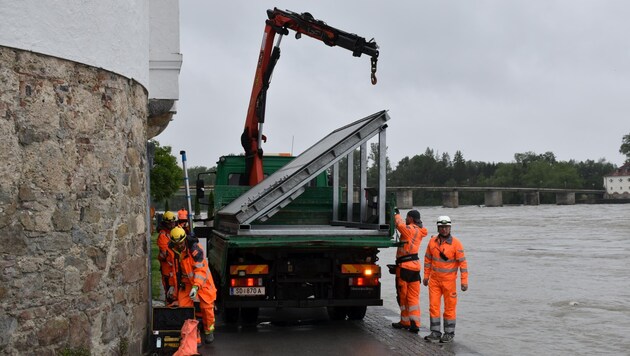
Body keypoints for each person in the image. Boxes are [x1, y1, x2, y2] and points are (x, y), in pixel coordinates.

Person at [167, 226, 217, 344]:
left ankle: (209, 331)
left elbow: (200, 271)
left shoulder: (195, 250)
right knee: (185, 309)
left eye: (180, 243)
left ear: (184, 240)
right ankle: (194, 336)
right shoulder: (173, 251)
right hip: (186, 282)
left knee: (207, 307)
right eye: (176, 243)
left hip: (203, 281)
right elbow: (174, 270)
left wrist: (196, 286)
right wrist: (173, 286)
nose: (179, 246)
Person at [423, 216, 468, 344]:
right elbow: (427, 261)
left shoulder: (456, 244)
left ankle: (449, 333)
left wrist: (464, 282)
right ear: (438, 228)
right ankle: (435, 332)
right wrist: (426, 277)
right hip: (434, 281)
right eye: (442, 227)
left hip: (449, 282)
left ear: (450, 228)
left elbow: (463, 265)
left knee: (449, 308)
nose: (444, 229)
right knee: (434, 307)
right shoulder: (432, 242)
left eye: (446, 227)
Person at [391, 208, 428, 333]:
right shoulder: (420, 231)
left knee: (403, 296)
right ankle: (415, 324)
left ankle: (405, 322)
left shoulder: (410, 230)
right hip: (415, 267)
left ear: (411, 219)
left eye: (407, 217)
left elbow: (399, 224)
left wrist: (396, 214)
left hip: (405, 267)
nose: (406, 219)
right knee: (413, 298)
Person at [157, 211, 178, 302]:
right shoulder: (163, 236)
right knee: (170, 294)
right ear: (165, 223)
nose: (172, 224)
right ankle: (169, 310)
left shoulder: (177, 230)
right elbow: (167, 253)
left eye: (173, 222)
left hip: (177, 269)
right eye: (169, 222)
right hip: (168, 271)